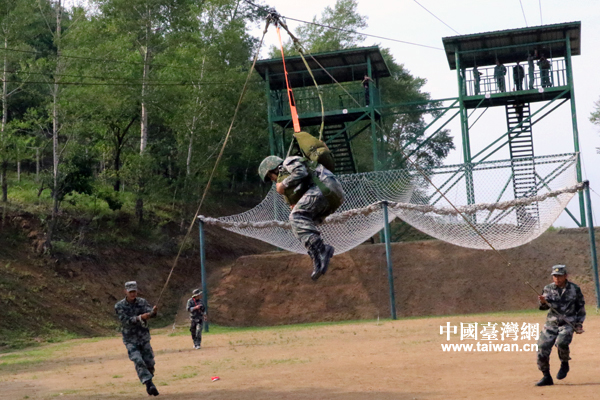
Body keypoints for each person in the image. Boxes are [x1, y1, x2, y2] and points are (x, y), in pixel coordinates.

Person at [258, 155, 344, 280]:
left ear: (274, 169)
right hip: (331, 196)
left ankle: (323, 249)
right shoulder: (293, 177)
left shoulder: (288, 162)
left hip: (325, 186)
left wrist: (283, 184)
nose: (273, 180)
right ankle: (317, 257)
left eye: (271, 177)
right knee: (299, 224)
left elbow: (300, 172)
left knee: (296, 216)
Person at [535, 265, 585, 387]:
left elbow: (580, 307)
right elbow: (544, 307)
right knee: (542, 348)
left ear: (565, 276)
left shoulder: (574, 289)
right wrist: (542, 302)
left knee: (561, 342)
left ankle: (564, 363)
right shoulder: (548, 288)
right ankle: (546, 376)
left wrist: (578, 324)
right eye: (554, 276)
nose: (557, 278)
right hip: (551, 324)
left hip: (568, 323)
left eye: (559, 276)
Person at [115, 281, 159, 396]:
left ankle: (149, 378)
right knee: (138, 360)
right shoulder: (119, 306)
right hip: (130, 339)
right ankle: (149, 384)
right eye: (130, 292)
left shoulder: (142, 302)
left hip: (143, 337)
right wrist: (140, 318)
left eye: (134, 291)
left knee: (150, 363)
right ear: (125, 292)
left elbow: (150, 313)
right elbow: (125, 321)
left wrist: (153, 312)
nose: (133, 294)